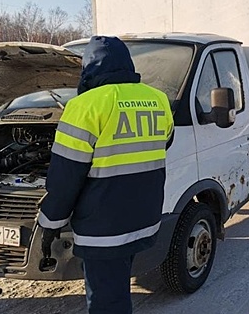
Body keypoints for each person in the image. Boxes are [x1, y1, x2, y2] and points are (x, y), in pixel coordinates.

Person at [37, 36, 174, 314]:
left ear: (89, 67)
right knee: (117, 286)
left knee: (107, 303)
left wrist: (50, 223)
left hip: (103, 228)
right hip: (143, 218)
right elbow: (165, 141)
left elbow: (66, 177)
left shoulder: (84, 106)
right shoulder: (158, 100)